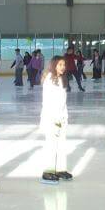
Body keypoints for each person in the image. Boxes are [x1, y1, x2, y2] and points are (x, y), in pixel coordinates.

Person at [40, 56, 72, 184]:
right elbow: (48, 102)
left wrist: (64, 117)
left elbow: (62, 102)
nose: (62, 67)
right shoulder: (50, 80)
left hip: (61, 117)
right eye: (60, 65)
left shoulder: (61, 79)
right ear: (53, 66)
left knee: (61, 145)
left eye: (64, 64)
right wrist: (54, 118)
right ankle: (47, 172)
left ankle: (60, 169)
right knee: (52, 145)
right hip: (52, 118)